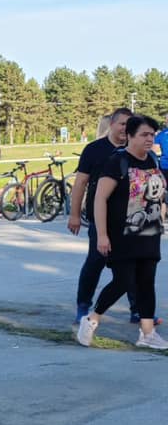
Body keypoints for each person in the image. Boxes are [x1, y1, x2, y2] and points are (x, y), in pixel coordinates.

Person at [77, 115, 168, 351]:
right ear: (130, 136)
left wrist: (161, 216)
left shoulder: (152, 160)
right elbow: (100, 198)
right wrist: (102, 234)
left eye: (152, 135)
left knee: (146, 282)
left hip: (149, 232)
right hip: (121, 234)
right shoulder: (117, 162)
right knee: (123, 281)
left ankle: (147, 333)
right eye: (144, 135)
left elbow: (157, 194)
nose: (150, 139)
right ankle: (92, 318)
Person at [68, 107, 132, 323]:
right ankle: (83, 305)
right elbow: (80, 183)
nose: (125, 129)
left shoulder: (134, 149)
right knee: (96, 261)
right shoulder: (94, 150)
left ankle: (138, 309)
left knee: (132, 264)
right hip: (100, 217)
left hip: (130, 218)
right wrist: (74, 215)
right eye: (122, 124)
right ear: (111, 124)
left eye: (129, 125)